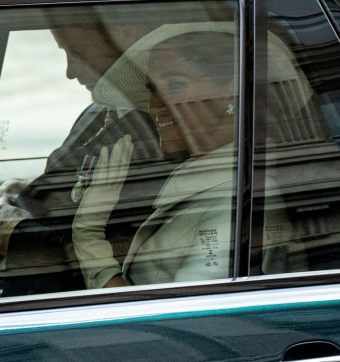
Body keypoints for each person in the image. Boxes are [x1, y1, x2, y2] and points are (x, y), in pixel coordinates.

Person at [72, 22, 309, 289]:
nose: (155, 107)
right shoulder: (217, 182)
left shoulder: (236, 203)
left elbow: (166, 323)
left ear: (231, 92)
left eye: (174, 84)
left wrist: (89, 237)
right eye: (152, 89)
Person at [0, 25, 164, 297]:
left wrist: (20, 237)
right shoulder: (98, 113)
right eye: (66, 53)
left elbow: (113, 252)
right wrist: (31, 189)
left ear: (125, 40)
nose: (70, 72)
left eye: (79, 53)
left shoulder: (156, 138)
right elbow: (79, 188)